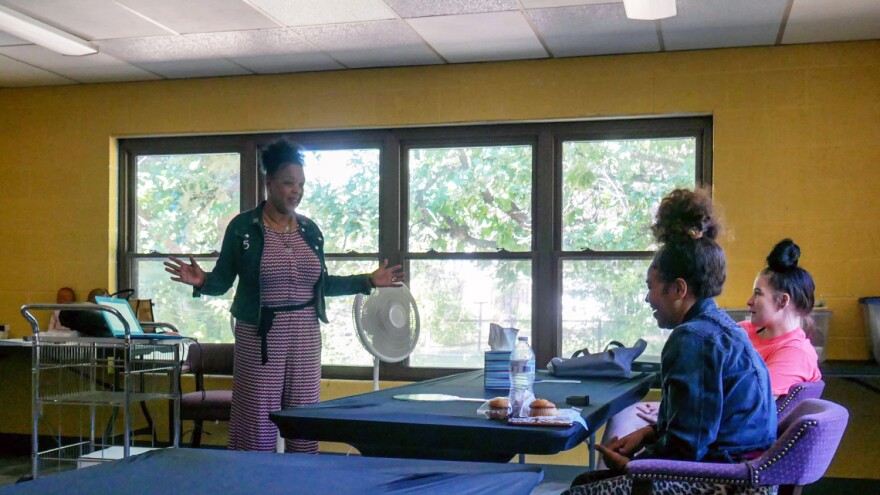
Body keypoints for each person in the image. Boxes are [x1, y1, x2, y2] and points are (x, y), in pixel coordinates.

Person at [164, 138, 403, 453]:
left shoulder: (310, 231)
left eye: (301, 184)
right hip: (260, 332)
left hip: (305, 332)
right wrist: (201, 280)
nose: (296, 191)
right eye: (289, 183)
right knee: (256, 424)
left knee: (303, 420)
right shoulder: (242, 228)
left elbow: (322, 285)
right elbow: (221, 282)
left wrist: (368, 280)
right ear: (269, 183)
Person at [567, 188, 776, 494]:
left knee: (580, 491)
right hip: (742, 475)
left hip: (724, 483)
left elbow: (687, 447)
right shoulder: (722, 328)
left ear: (679, 289)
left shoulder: (692, 339)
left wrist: (633, 466)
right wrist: (648, 435)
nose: (647, 297)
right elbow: (697, 424)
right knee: (586, 482)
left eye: (651, 287)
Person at [740, 239, 822, 397]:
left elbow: (749, 402)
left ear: (783, 301)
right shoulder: (742, 331)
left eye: (758, 293)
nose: (749, 301)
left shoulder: (796, 354)